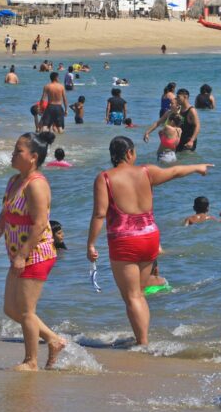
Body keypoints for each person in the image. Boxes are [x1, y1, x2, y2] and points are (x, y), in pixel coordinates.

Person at [86, 136, 212, 344]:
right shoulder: (146, 172)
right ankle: (143, 339)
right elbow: (174, 172)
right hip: (150, 238)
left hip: (125, 241)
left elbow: (100, 214)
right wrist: (197, 167)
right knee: (140, 293)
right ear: (129, 153)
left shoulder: (105, 178)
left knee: (132, 296)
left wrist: (91, 243)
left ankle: (142, 342)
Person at [0, 131, 66, 371]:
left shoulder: (36, 184)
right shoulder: (13, 181)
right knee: (11, 308)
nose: (13, 154)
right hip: (18, 254)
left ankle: (31, 362)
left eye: (18, 151)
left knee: (27, 311)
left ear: (33, 157)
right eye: (14, 149)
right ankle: (53, 340)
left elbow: (39, 224)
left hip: (36, 253)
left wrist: (22, 255)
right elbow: (4, 218)